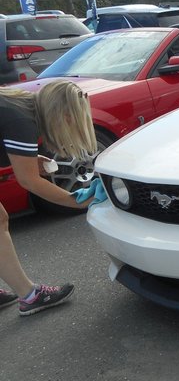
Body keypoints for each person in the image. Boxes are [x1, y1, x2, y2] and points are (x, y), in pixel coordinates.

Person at [0, 80, 103, 316]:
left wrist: (28, 158)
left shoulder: (23, 103)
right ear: (60, 113)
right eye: (71, 119)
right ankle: (31, 296)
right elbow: (29, 181)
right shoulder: (21, 120)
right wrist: (76, 200)